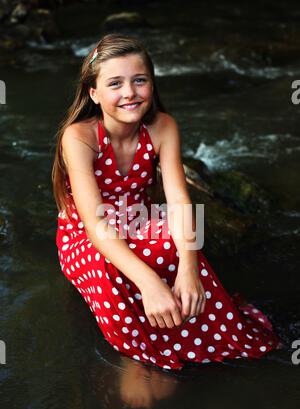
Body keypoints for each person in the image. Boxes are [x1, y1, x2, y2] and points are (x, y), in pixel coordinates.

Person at [52, 33, 283, 373]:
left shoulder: (163, 127)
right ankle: (140, 357)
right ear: (94, 94)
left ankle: (212, 332)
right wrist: (151, 284)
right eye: (115, 83)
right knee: (109, 267)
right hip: (87, 234)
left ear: (152, 84)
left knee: (181, 241)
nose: (129, 92)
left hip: (137, 217)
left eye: (139, 80)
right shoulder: (80, 136)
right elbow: (95, 225)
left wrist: (189, 271)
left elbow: (179, 202)